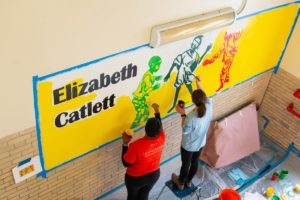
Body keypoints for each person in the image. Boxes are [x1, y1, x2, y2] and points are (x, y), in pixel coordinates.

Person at [171, 76, 213, 190]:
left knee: (186, 164)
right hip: (200, 144)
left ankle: (180, 183)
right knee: (195, 163)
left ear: (194, 102)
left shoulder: (191, 117)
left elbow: (185, 131)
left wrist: (182, 113)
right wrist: (198, 83)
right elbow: (204, 95)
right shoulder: (209, 106)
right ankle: (188, 181)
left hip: (188, 146)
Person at [122, 103, 165, 200]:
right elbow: (159, 126)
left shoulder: (136, 146)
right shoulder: (162, 137)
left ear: (145, 129)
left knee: (132, 197)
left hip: (135, 179)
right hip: (154, 175)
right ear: (159, 131)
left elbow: (126, 163)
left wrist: (125, 144)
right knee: (144, 196)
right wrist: (157, 112)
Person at [164, 35, 212, 113]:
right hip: (182, 73)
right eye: (194, 42)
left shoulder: (196, 55)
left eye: (196, 43)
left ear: (198, 46)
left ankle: (198, 104)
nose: (194, 44)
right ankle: (173, 105)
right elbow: (176, 61)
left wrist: (206, 51)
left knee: (191, 91)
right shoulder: (185, 53)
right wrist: (168, 74)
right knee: (178, 88)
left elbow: (198, 61)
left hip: (189, 74)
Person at [131, 56, 162, 128]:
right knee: (140, 113)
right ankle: (133, 127)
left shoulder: (149, 73)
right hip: (138, 98)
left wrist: (157, 78)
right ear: (152, 65)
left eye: (159, 65)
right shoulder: (148, 76)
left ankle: (145, 125)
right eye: (157, 65)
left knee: (146, 113)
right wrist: (154, 87)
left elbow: (152, 78)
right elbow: (145, 91)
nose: (159, 67)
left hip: (141, 98)